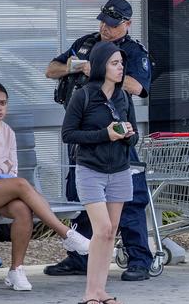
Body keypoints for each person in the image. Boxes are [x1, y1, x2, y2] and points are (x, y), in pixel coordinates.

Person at [44, 0, 154, 281]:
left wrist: (106, 70)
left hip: (115, 135)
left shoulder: (133, 51)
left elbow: (139, 86)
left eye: (113, 24)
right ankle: (81, 257)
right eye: (104, 21)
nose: (106, 27)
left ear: (127, 25)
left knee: (128, 200)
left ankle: (139, 259)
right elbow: (51, 69)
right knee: (81, 198)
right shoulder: (85, 43)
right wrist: (78, 67)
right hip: (84, 132)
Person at [0, 81, 90, 291]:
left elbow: (12, 170)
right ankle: (66, 234)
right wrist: (2, 167)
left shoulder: (7, 131)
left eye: (3, 103)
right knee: (20, 184)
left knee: (22, 209)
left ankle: (16, 271)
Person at [63, 41, 138, 304]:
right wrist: (104, 135)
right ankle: (89, 293)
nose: (120, 69)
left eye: (121, 64)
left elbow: (135, 137)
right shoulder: (83, 95)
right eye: (114, 63)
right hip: (90, 169)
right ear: (101, 66)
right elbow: (68, 134)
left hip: (119, 170)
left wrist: (127, 134)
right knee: (102, 228)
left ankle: (100, 291)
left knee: (111, 231)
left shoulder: (124, 97)